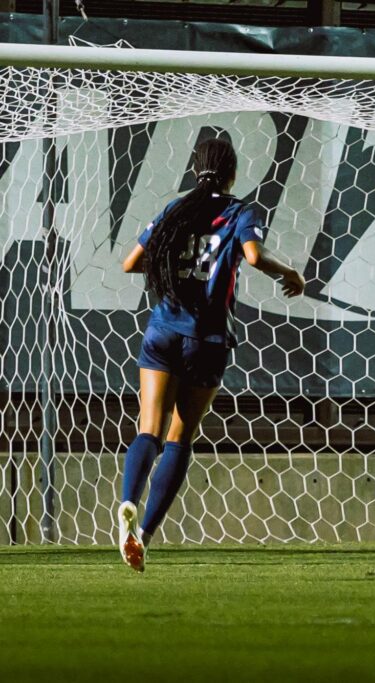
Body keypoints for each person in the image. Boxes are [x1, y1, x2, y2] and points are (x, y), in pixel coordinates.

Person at [117, 138, 305, 572]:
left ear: (195, 168)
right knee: (179, 438)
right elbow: (255, 256)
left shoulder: (176, 209)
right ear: (232, 173)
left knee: (149, 426)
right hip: (208, 340)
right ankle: (143, 535)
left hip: (163, 330)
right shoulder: (241, 211)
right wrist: (289, 272)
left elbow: (131, 263)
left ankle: (127, 500)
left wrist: (173, 270)